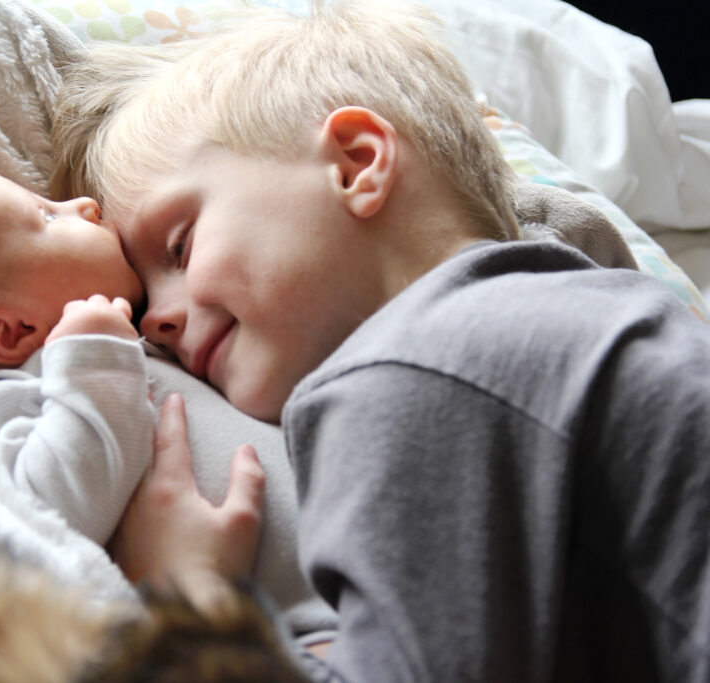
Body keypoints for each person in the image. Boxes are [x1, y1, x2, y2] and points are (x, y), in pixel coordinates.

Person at [51, 0, 710, 680]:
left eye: (180, 247)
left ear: (356, 164)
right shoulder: (584, 306)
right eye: (144, 299)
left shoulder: (415, 368)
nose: (153, 322)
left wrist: (188, 595)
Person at [0, 170, 340, 639]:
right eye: (47, 217)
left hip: (346, 528)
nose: (84, 206)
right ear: (9, 331)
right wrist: (93, 360)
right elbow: (52, 511)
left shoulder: (140, 340)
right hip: (299, 618)